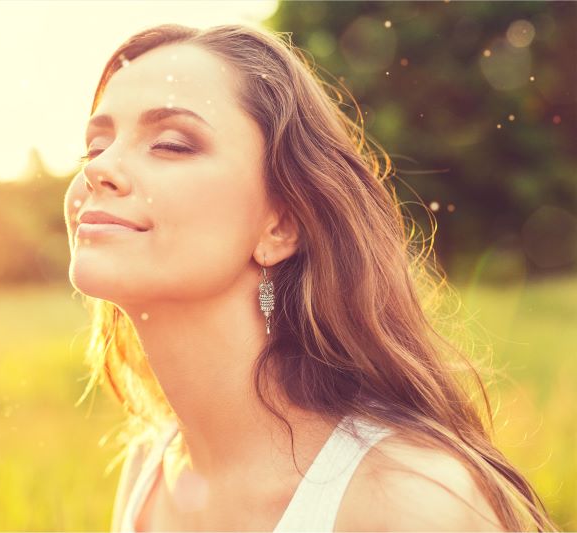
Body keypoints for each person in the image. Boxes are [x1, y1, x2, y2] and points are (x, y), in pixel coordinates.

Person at [62, 23, 556, 532]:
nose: (101, 169)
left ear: (281, 224)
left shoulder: (409, 502)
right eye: (96, 146)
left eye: (170, 144)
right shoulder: (149, 470)